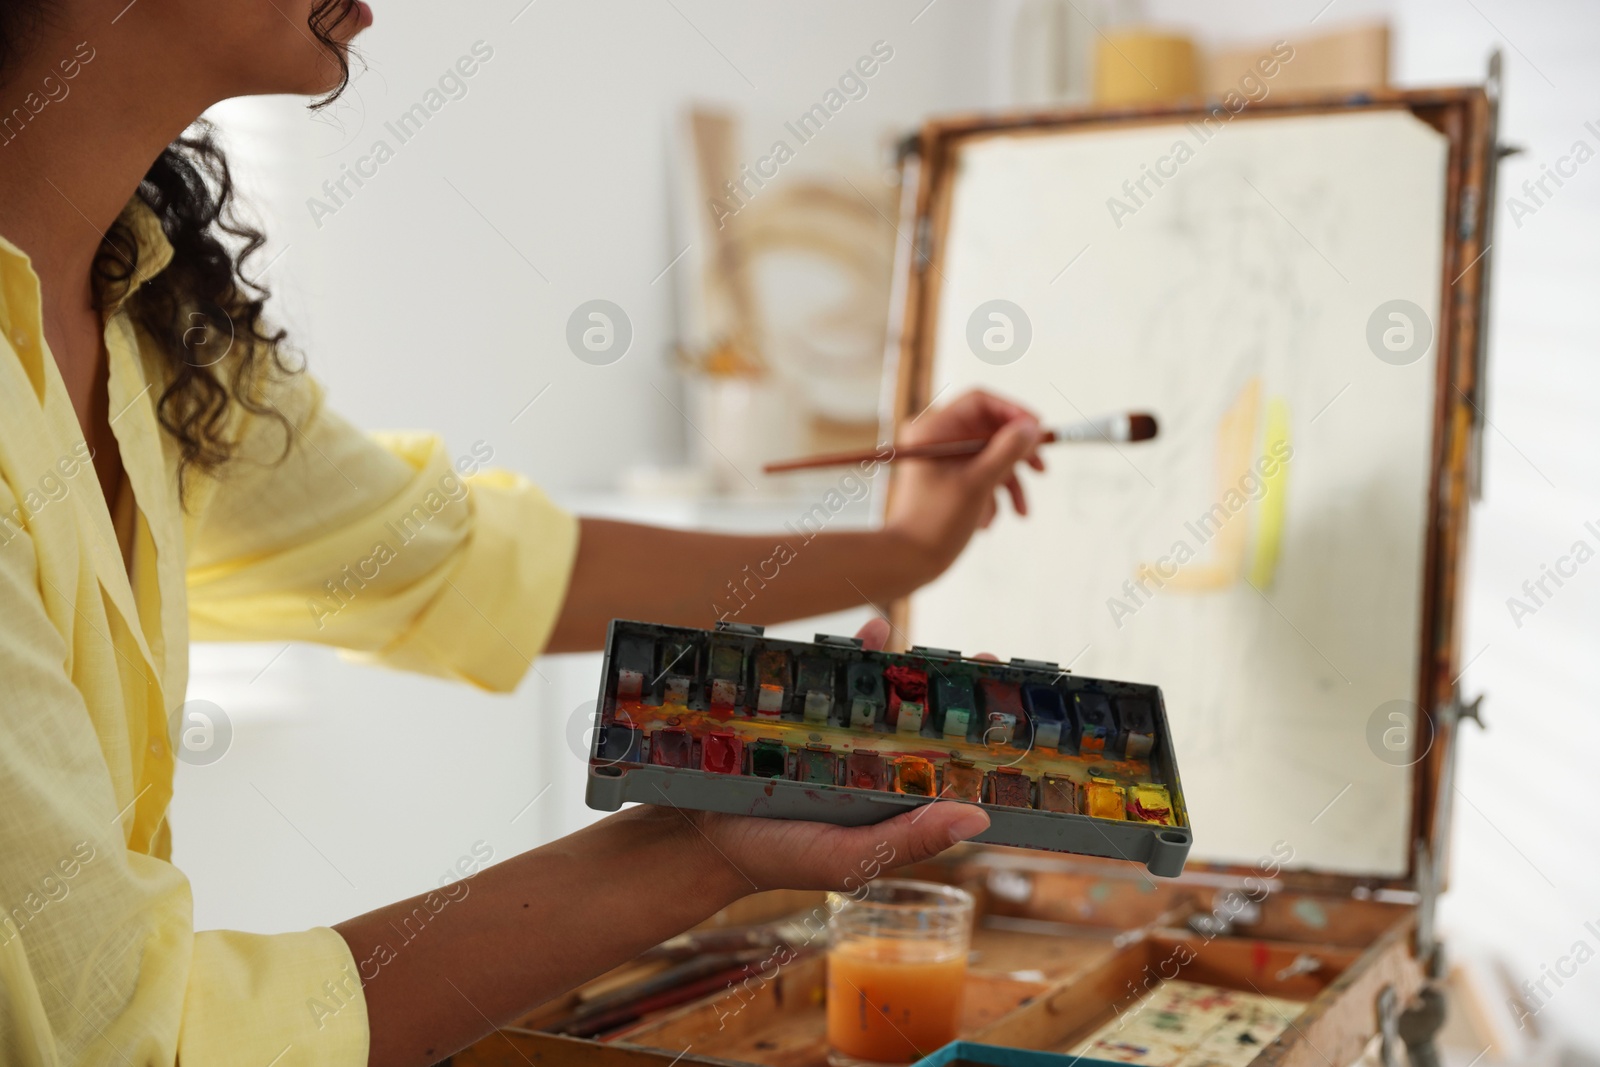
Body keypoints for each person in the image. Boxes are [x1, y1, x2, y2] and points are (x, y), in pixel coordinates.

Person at [0, 2, 1046, 1065]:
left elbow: (472, 564)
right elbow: (125, 1036)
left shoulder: (154, 317)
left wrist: (906, 546)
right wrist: (700, 850)